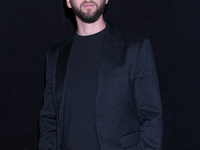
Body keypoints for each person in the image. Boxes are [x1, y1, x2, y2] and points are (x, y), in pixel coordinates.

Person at [38, 0, 163, 150]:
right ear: (68, 2)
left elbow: (152, 117)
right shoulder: (55, 55)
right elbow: (49, 119)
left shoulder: (135, 48)